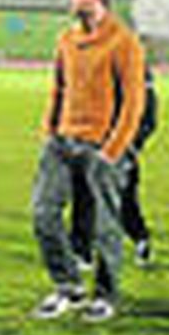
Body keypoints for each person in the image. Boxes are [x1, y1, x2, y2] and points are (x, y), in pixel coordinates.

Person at [30, 0, 147, 323]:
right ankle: (68, 287)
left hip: (102, 147)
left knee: (104, 226)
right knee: (42, 214)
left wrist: (112, 151)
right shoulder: (66, 39)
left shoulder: (124, 42)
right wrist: (49, 130)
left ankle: (106, 295)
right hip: (61, 142)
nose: (70, 3)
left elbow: (133, 103)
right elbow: (58, 88)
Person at [70, 65, 156, 269]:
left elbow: (148, 114)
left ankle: (140, 238)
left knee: (125, 199)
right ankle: (81, 252)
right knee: (83, 196)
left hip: (121, 146)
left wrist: (133, 144)